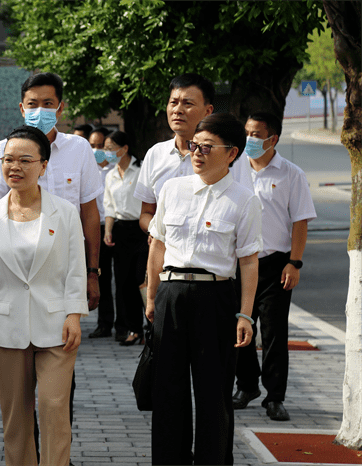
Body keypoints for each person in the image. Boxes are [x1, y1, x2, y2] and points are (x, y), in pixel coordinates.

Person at [0, 73, 102, 466]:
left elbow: (76, 266)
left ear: (42, 167)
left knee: (52, 407)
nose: (15, 166)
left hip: (55, 322)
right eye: (9, 161)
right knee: (15, 418)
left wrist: (75, 313)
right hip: (8, 325)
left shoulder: (63, 212)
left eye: (25, 161)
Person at [145, 113, 262, 465]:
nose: (197, 152)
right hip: (171, 294)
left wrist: (245, 314)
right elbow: (157, 247)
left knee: (214, 391)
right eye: (195, 145)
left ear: (232, 153)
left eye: (207, 147)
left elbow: (248, 262)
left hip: (216, 298)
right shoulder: (172, 189)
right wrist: (151, 297)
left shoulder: (244, 200)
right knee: (167, 390)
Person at [231, 112, 316, 421]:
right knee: (238, 326)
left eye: (256, 134)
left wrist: (294, 262)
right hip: (238, 262)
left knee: (273, 331)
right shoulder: (233, 168)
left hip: (275, 265)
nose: (249, 139)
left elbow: (300, 221)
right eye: (247, 133)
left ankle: (275, 396)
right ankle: (247, 385)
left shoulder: (291, 174)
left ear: (273, 139)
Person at [134, 73, 215, 233]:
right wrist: (157, 231)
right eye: (173, 102)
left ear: (208, 111)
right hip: (164, 254)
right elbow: (146, 213)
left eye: (188, 103)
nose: (178, 110)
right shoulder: (155, 154)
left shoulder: (224, 154)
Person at [101, 131, 148, 345]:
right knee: (124, 282)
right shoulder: (110, 175)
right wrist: (108, 230)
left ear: (124, 148)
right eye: (106, 148)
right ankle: (134, 328)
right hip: (121, 231)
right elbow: (109, 206)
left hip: (142, 229)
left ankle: (153, 325)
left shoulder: (141, 170)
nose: (107, 153)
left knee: (142, 279)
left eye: (111, 148)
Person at [88, 128, 117, 339]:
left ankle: (127, 323)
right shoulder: (88, 171)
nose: (96, 150)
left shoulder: (118, 170)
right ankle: (105, 323)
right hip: (96, 228)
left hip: (119, 226)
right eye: (92, 145)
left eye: (101, 146)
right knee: (101, 276)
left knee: (125, 279)